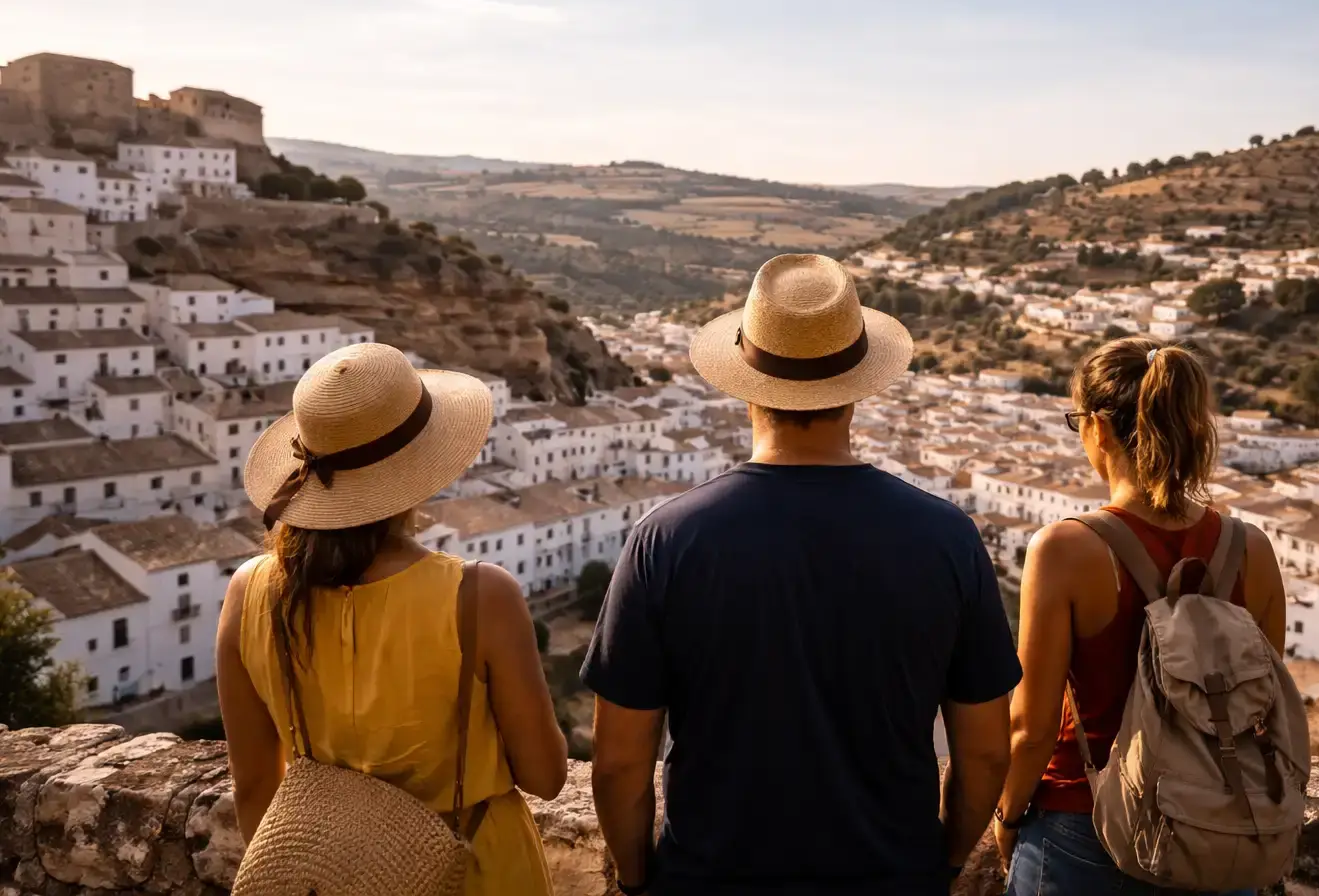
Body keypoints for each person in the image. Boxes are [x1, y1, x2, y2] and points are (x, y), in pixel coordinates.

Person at [582, 253, 1021, 896]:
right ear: (859, 385)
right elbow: (985, 751)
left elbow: (620, 762)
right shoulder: (946, 536)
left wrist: (636, 880)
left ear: (745, 383)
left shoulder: (666, 540)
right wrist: (947, 863)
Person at [216, 342, 568, 895]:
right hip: (474, 870)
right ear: (421, 469)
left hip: (323, 873)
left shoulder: (249, 591)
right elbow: (546, 778)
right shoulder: (479, 594)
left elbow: (255, 783)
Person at [991, 337, 1286, 896]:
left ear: (1098, 429)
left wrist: (1006, 819)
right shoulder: (1253, 550)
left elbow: (1030, 730)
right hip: (1217, 830)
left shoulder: (1065, 550)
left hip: (1086, 825)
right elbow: (1262, 707)